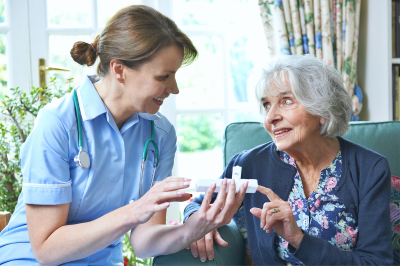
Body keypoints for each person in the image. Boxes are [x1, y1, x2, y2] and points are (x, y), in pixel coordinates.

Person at [0, 5, 248, 265]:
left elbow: (143, 243)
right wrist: (135, 211)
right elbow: (46, 249)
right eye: (164, 77)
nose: (174, 89)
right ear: (119, 69)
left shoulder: (160, 134)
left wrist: (193, 228)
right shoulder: (58, 123)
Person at [184, 54, 400, 265]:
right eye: (267, 105)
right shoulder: (248, 164)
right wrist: (200, 225)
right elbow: (197, 205)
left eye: (286, 101)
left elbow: (377, 261)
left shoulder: (369, 169)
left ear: (322, 109)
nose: (270, 118)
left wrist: (298, 239)